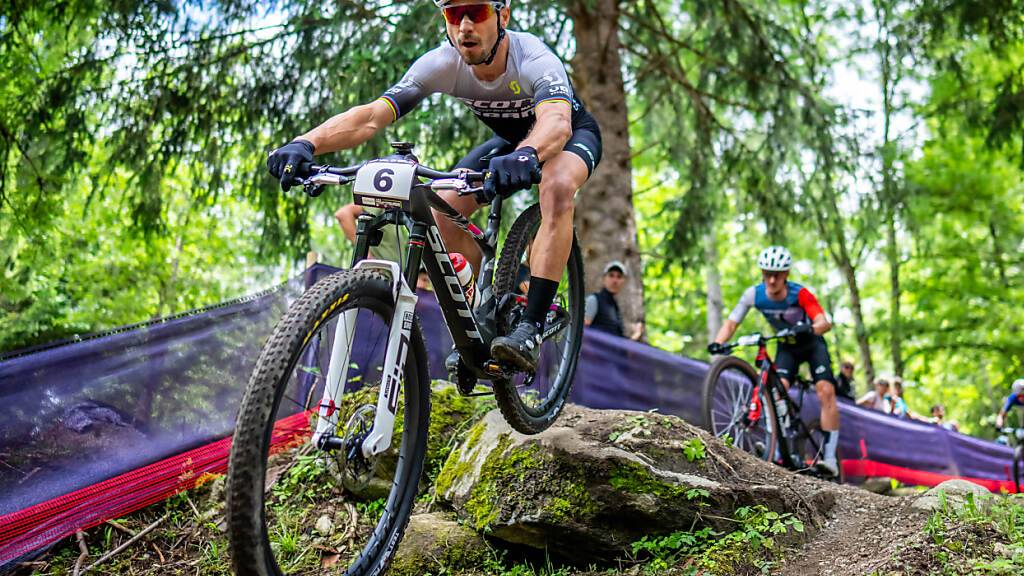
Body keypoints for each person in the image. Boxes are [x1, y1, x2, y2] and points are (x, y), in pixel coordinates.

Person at [267, 0, 602, 372]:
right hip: (511, 145)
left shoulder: (533, 57)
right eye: (454, 15)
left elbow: (556, 122)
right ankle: (479, 318)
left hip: (567, 137)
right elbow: (372, 116)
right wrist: (305, 143)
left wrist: (527, 154)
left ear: (503, 16)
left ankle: (532, 325)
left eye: (477, 12)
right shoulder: (442, 63)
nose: (465, 26)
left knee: (556, 187)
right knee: (445, 209)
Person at [708, 246, 840, 476]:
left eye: (777, 274)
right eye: (767, 273)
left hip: (811, 344)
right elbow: (731, 323)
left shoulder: (799, 294)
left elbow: (824, 323)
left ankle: (829, 457)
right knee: (777, 393)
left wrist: (809, 327)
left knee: (825, 390)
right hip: (786, 347)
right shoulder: (754, 294)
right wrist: (718, 343)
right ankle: (780, 449)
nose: (771, 279)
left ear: (786, 274)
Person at [584, 260, 643, 340]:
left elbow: (618, 345)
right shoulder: (593, 300)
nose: (615, 281)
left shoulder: (614, 307)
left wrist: (636, 334)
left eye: (619, 277)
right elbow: (583, 333)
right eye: (611, 275)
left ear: (623, 281)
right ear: (604, 279)